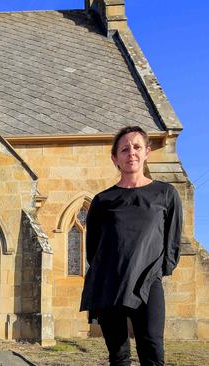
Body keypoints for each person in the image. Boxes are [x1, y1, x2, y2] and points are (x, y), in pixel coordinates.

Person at [80, 126, 182, 366]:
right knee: (118, 356)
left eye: (136, 147)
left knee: (152, 350)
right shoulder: (103, 200)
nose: (131, 153)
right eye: (124, 149)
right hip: (109, 284)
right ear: (115, 158)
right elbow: (93, 247)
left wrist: (158, 272)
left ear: (147, 151)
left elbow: (172, 242)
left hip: (147, 283)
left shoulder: (165, 193)